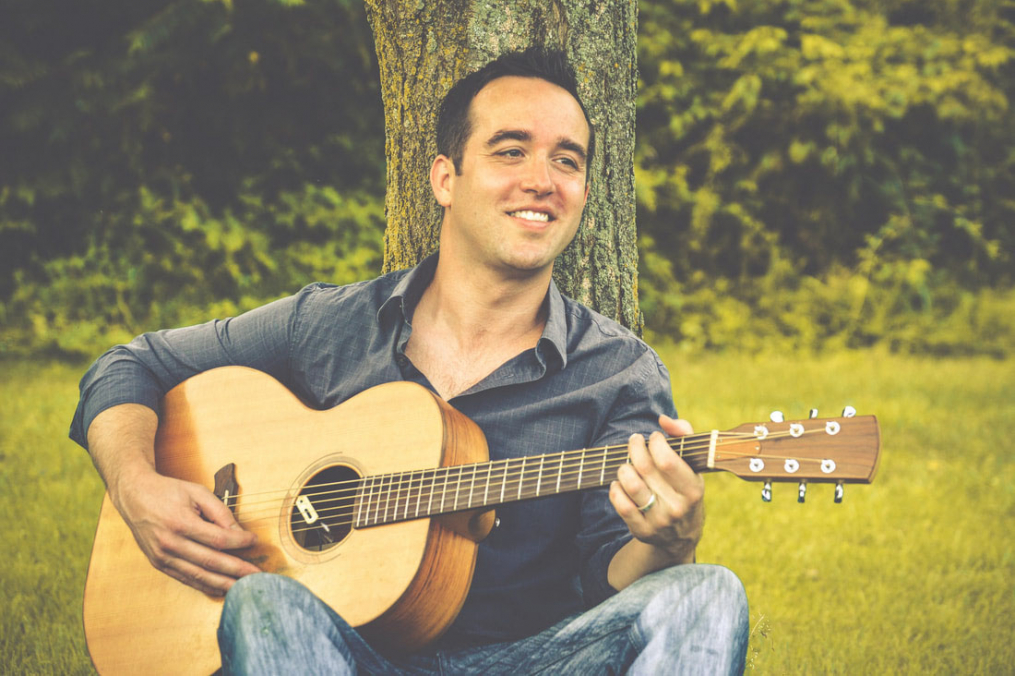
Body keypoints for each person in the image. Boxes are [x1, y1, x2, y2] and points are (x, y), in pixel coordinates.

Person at [70, 48, 748, 674]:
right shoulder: (329, 325)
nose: (542, 181)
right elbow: (129, 365)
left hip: (532, 661)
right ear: (445, 179)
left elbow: (614, 581)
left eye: (567, 161)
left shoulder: (618, 373)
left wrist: (668, 541)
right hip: (341, 655)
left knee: (707, 592)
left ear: (583, 193)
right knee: (260, 602)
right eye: (511, 151)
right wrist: (137, 487)